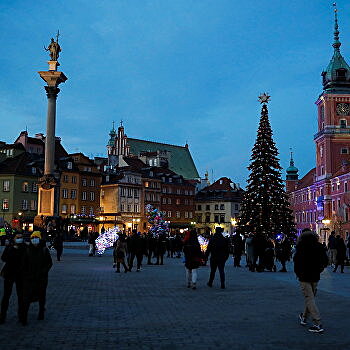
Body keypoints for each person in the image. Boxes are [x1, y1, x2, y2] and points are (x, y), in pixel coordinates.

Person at [293, 229, 328, 333]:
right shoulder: (319, 247)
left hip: (304, 276)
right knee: (310, 298)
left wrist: (298, 273)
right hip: (315, 275)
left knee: (309, 298)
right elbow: (325, 261)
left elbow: (296, 262)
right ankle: (304, 317)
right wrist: (319, 269)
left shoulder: (301, 247)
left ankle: (318, 323)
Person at [21, 231, 53, 325]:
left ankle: (41, 312)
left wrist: (43, 272)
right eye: (33, 237)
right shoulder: (27, 250)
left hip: (41, 278)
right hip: (29, 277)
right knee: (26, 297)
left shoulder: (44, 250)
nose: (34, 239)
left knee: (41, 295)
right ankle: (24, 317)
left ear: (39, 239)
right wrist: (25, 274)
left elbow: (49, 263)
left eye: (36, 237)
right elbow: (24, 263)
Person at [0, 233, 26, 324]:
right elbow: (3, 258)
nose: (19, 239)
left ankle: (22, 317)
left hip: (20, 275)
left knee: (21, 296)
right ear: (14, 238)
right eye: (17, 237)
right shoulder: (10, 247)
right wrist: (12, 250)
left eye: (21, 237)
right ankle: (2, 316)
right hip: (9, 274)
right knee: (6, 296)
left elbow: (26, 260)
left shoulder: (24, 248)